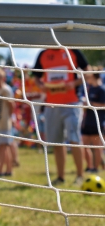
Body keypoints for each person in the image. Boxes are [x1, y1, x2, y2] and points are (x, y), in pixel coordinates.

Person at [33, 48, 90, 185]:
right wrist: (41, 86)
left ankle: (80, 176)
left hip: (72, 103)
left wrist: (74, 83)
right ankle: (60, 177)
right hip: (51, 105)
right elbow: (35, 77)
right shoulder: (43, 54)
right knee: (56, 143)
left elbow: (88, 71)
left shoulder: (73, 51)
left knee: (74, 139)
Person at [81, 66, 105, 173]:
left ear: (93, 76)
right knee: (84, 146)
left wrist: (90, 104)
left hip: (98, 122)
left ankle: (95, 169)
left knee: (97, 147)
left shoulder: (102, 89)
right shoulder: (89, 88)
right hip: (87, 122)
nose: (87, 77)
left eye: (89, 75)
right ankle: (89, 167)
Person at [0, 68, 15, 176]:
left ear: (3, 78)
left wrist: (9, 117)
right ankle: (6, 169)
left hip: (5, 122)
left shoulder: (6, 90)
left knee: (4, 146)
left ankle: (3, 169)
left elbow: (11, 105)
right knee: (1, 146)